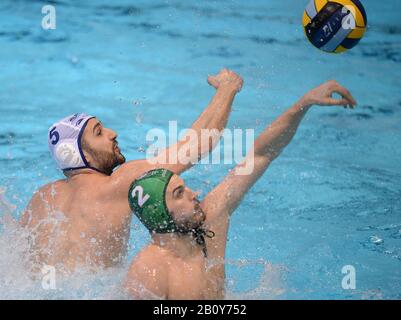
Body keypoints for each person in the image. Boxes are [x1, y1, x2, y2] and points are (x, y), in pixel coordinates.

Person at [124, 80, 357, 299]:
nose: (194, 194)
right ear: (160, 214)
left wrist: (303, 103)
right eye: (179, 194)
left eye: (185, 188)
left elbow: (260, 155)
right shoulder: (149, 270)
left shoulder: (210, 218)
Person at [19, 69, 244, 274]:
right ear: (82, 155)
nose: (112, 133)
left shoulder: (42, 198)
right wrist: (227, 88)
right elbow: (196, 146)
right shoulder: (119, 183)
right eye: (99, 133)